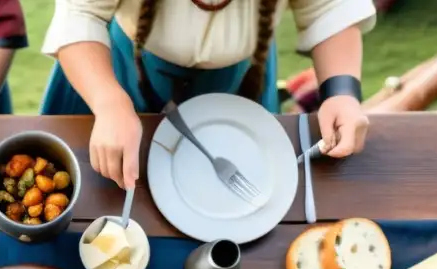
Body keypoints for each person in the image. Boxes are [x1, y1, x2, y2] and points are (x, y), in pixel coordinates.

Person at [39, 0, 376, 190]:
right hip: (114, 72)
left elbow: (329, 9)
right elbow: (81, 13)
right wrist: (109, 103)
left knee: (223, 198)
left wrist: (341, 92)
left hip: (239, 80)